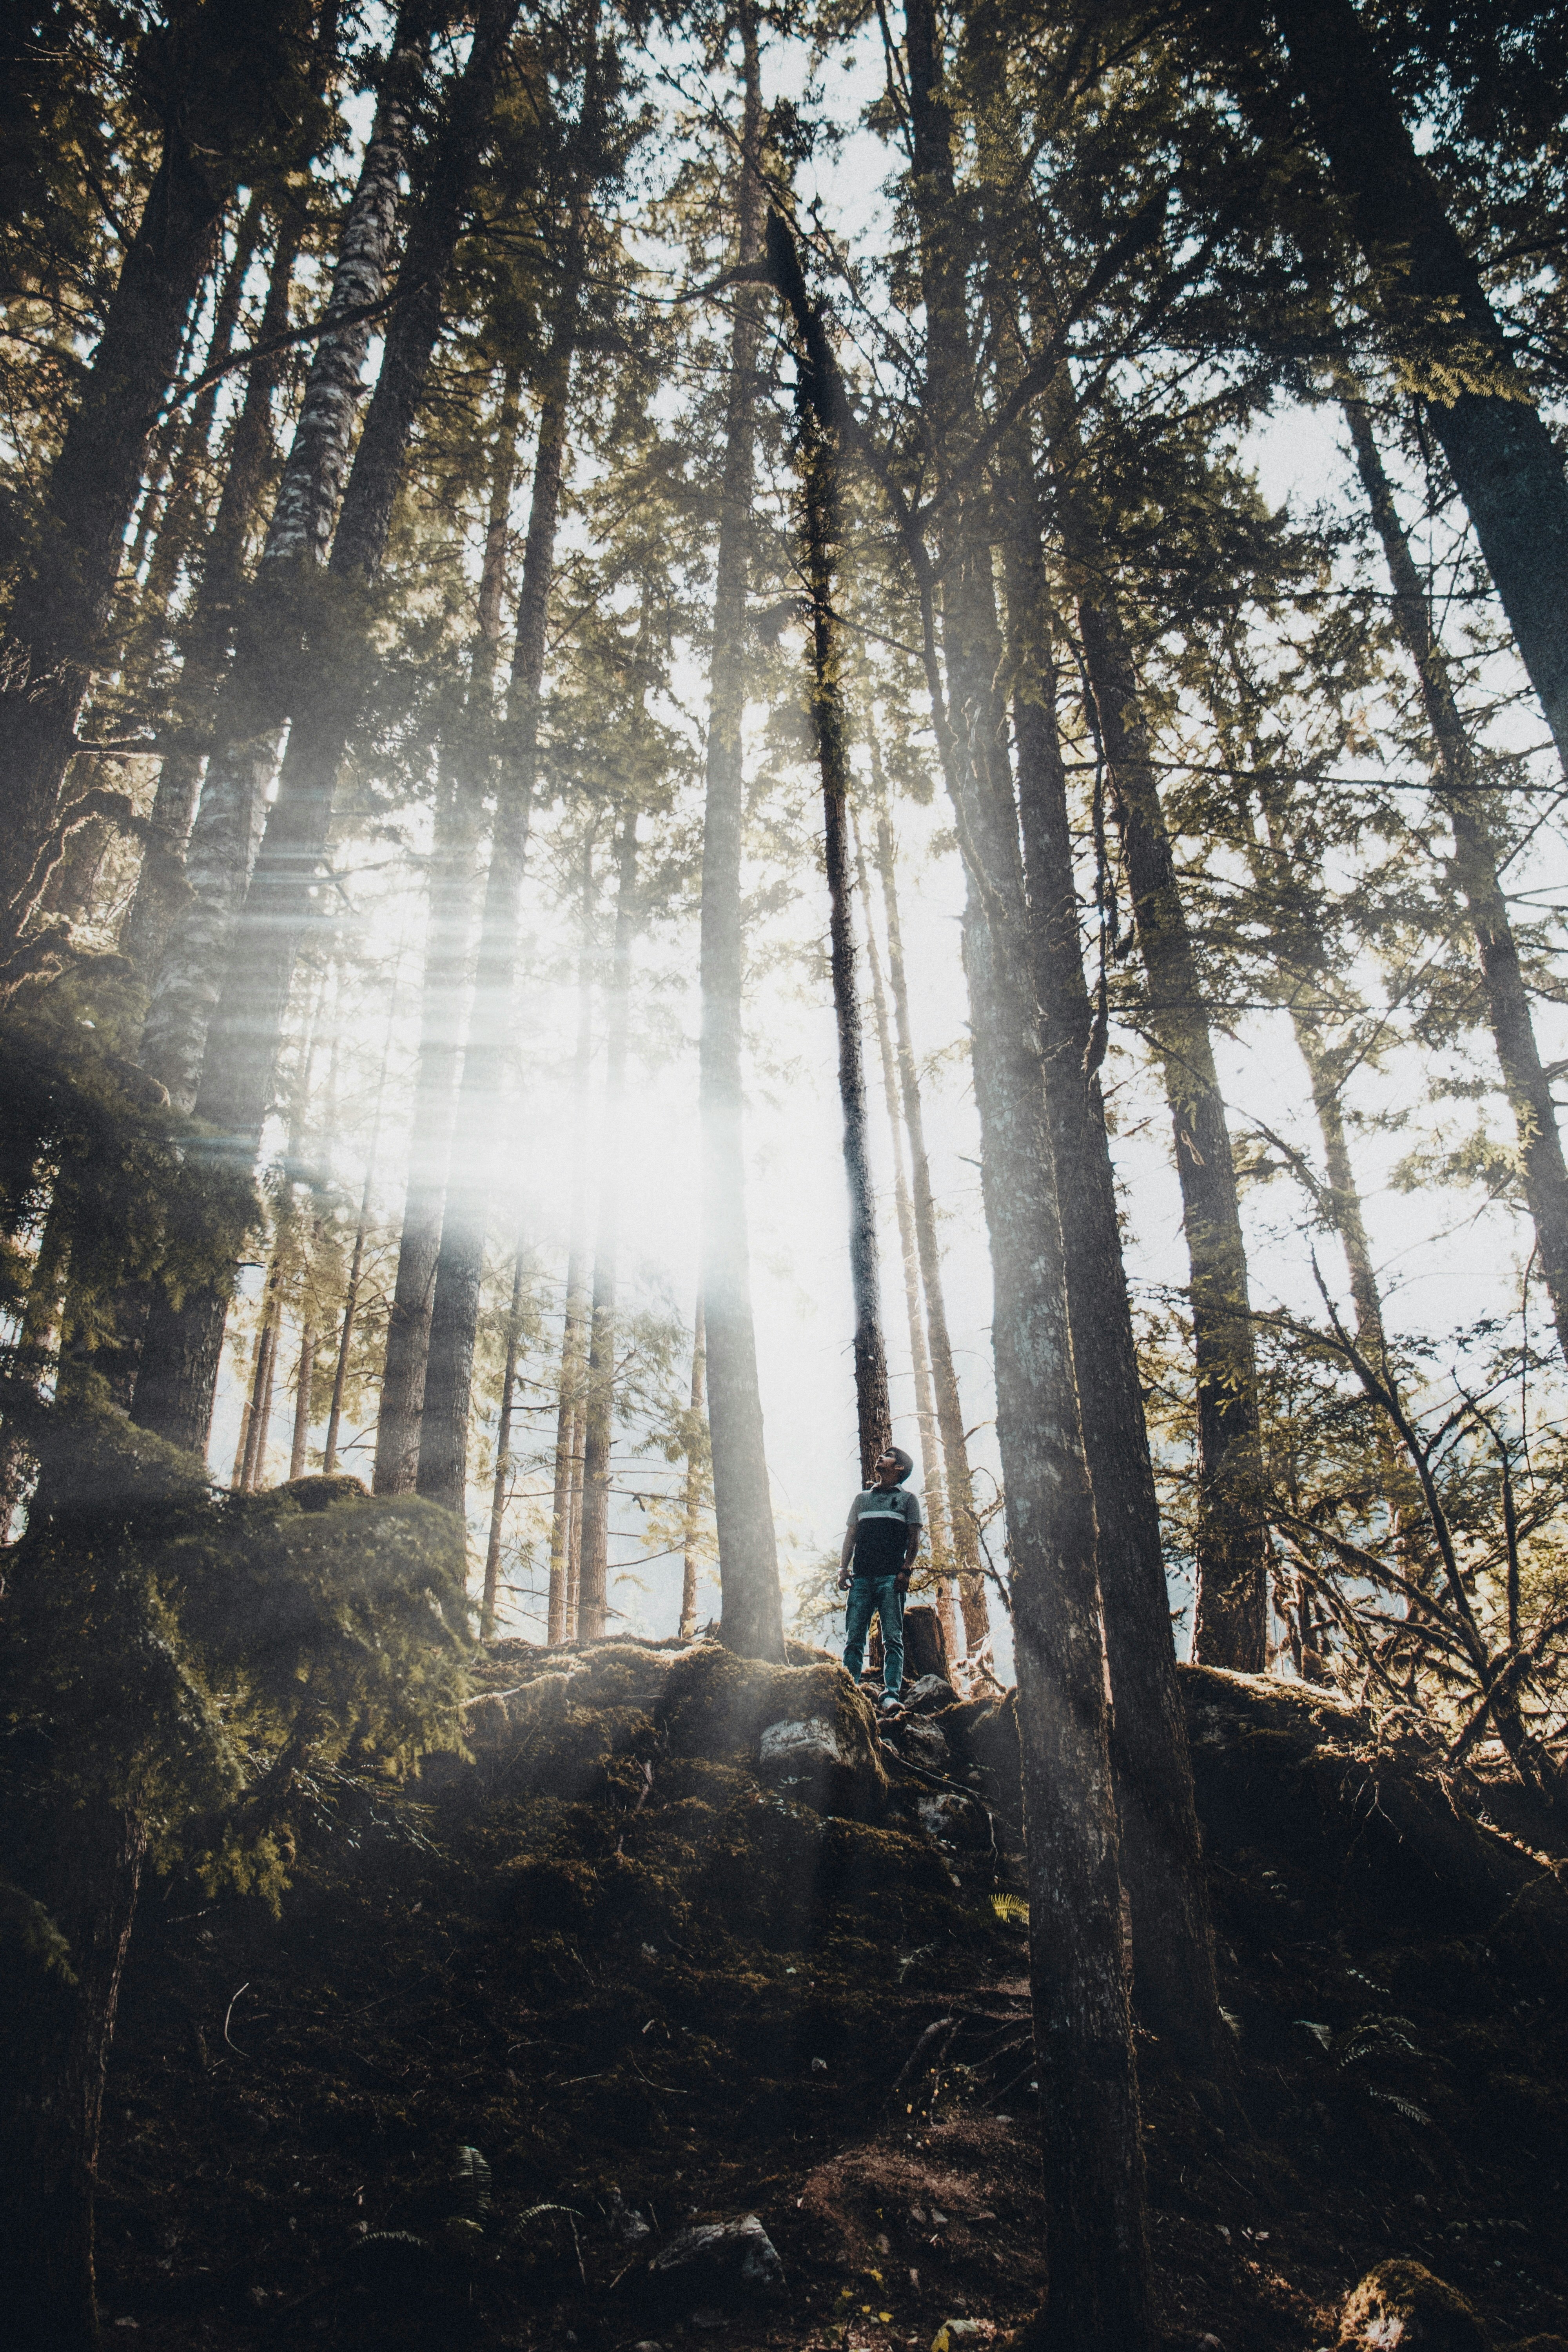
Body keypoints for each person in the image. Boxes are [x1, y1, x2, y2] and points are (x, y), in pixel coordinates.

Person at [838, 1445, 922, 1712]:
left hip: (891, 1578)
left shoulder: (908, 1500)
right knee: (855, 1637)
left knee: (893, 1639)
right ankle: (850, 1688)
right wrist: (843, 1569)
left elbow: (914, 1539)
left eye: (887, 1456)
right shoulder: (862, 1500)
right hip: (862, 1578)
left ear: (899, 1469)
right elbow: (851, 1536)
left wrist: (906, 1571)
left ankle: (891, 1696)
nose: (880, 1457)